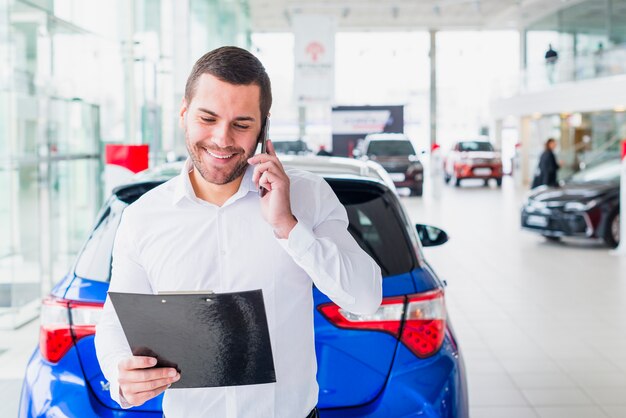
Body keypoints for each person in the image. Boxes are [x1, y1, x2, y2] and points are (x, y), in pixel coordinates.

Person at [94, 46, 382, 418]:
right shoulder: (143, 217)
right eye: (207, 118)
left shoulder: (307, 197)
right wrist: (120, 371)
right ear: (184, 113)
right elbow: (115, 321)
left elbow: (365, 297)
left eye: (241, 124)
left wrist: (287, 226)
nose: (222, 139)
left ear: (264, 128)